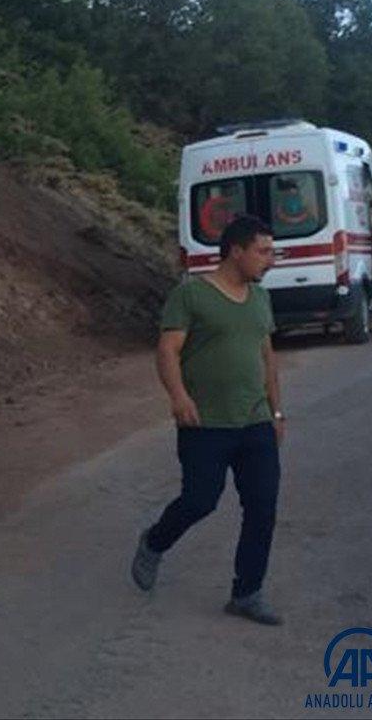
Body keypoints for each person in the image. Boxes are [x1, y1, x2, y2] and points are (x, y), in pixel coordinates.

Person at [131, 215, 284, 625]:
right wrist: (178, 396)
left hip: (255, 422)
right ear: (236, 250)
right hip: (205, 423)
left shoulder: (260, 299)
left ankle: (247, 592)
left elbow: (267, 357)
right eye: (263, 252)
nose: (271, 261)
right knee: (200, 500)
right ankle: (155, 541)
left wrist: (277, 411)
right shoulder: (192, 295)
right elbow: (168, 351)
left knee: (262, 506)